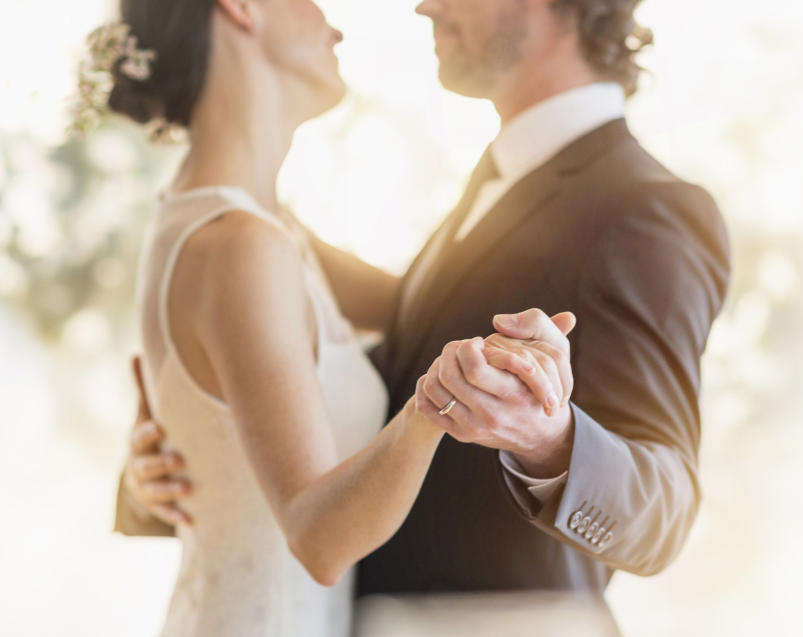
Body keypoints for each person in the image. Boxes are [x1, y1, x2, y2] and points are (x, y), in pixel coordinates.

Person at [118, 0, 731, 632]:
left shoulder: (646, 211)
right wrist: (178, 455)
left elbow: (666, 512)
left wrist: (549, 441)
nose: (423, 5)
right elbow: (298, 371)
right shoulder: (471, 194)